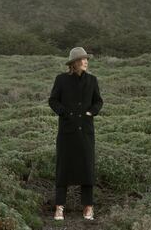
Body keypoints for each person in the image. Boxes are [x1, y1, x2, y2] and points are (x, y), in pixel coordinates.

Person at [48, 47, 103, 220]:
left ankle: (88, 207)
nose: (86, 61)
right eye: (82, 59)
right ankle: (59, 207)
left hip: (86, 131)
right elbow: (53, 100)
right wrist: (63, 113)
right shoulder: (61, 80)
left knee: (87, 168)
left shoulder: (92, 80)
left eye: (86, 59)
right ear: (74, 63)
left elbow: (98, 101)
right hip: (67, 131)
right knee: (63, 168)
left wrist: (91, 112)